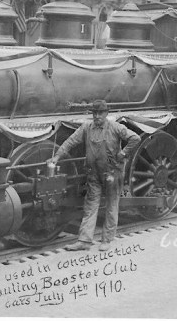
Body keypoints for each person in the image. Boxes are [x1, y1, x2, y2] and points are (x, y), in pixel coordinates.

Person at [49, 100, 140, 251]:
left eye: (100, 113)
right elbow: (71, 141)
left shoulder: (115, 127)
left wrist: (124, 153)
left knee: (111, 205)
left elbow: (135, 138)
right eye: (94, 113)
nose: (97, 116)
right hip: (94, 173)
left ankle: (107, 239)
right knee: (90, 205)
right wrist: (57, 156)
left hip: (112, 173)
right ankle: (84, 241)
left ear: (106, 113)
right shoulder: (86, 127)